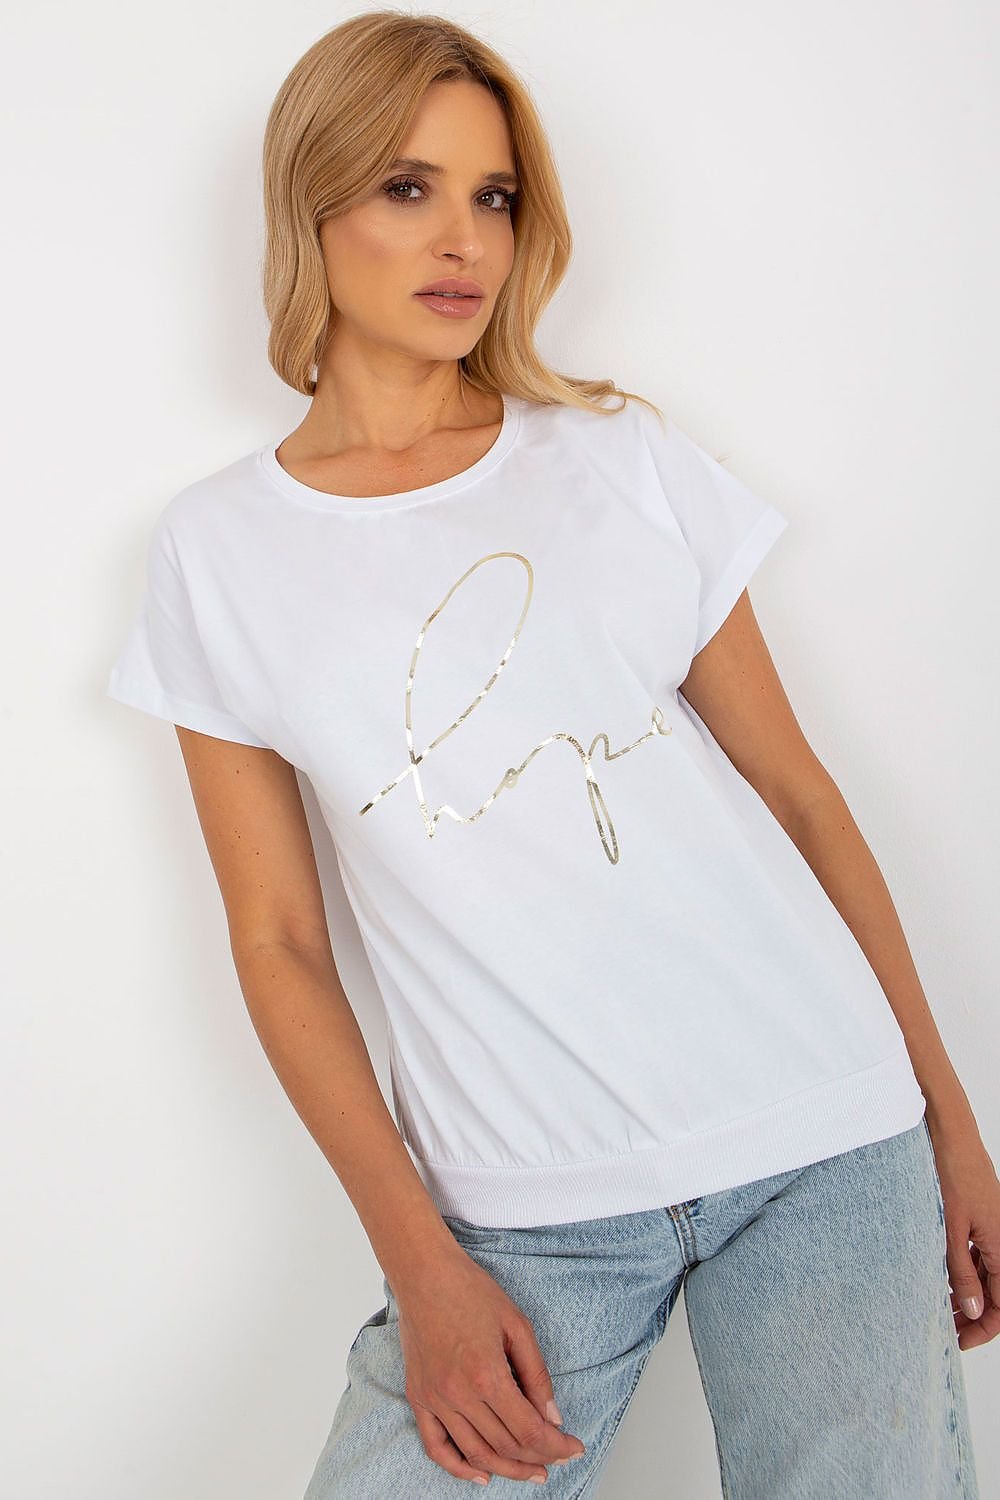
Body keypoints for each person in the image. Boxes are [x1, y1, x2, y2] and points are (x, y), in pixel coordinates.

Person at [105, 10, 996, 1497]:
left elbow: (796, 795)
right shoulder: (222, 548)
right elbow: (277, 944)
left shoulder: (618, 457)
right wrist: (420, 1263)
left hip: (823, 1136)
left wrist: (952, 1129)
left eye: (495, 195)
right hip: (520, 1212)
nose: (464, 238)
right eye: (408, 187)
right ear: (309, 204)